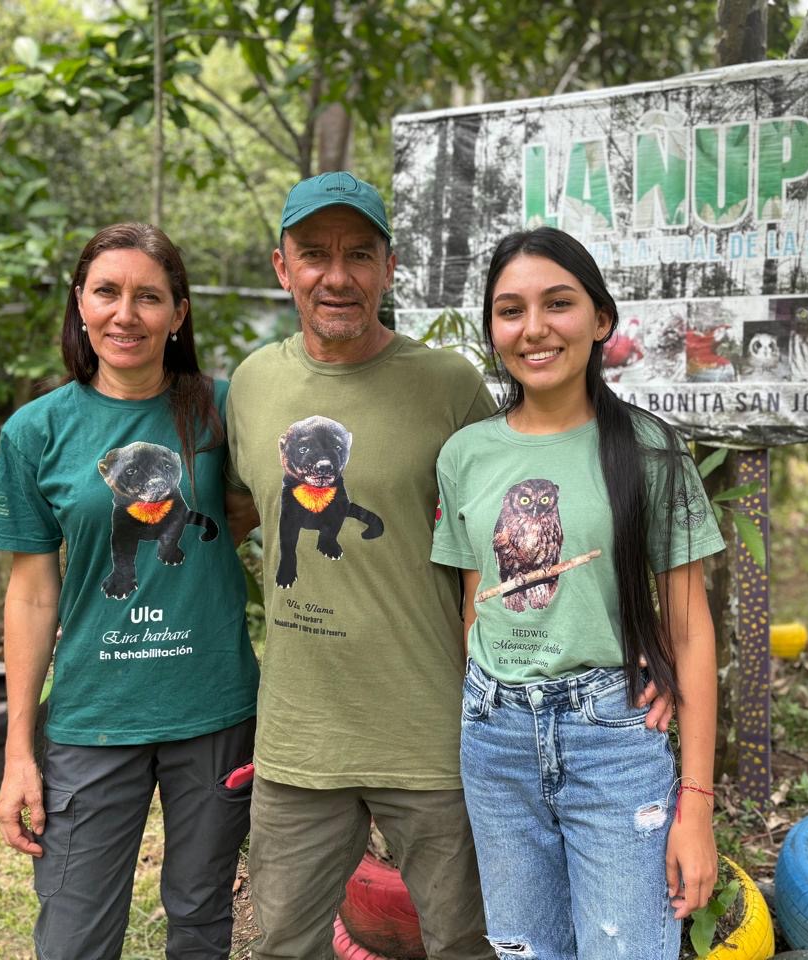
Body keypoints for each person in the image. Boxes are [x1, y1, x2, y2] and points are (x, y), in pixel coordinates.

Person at [222, 171, 501, 960]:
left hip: (431, 731)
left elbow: (505, 533)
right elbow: (236, 509)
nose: (336, 276)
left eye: (358, 255)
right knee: (284, 943)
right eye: (314, 254)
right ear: (283, 268)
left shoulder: (449, 387)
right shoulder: (251, 384)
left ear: (389, 267)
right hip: (299, 738)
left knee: (467, 944)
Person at [431, 227, 724, 958]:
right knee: (525, 949)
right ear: (493, 329)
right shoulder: (465, 455)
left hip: (614, 740)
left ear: (600, 320)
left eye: (558, 303)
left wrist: (695, 805)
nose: (534, 328)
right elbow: (475, 606)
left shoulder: (652, 452)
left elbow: (690, 631)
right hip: (495, 740)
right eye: (511, 310)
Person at [0, 223, 260, 959]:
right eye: (107, 292)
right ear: (80, 303)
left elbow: (245, 510)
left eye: (149, 297)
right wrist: (18, 752)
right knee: (74, 936)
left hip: (211, 707)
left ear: (178, 313)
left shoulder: (224, 410)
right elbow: (31, 594)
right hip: (93, 715)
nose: (125, 314)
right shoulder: (36, 431)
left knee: (201, 919)